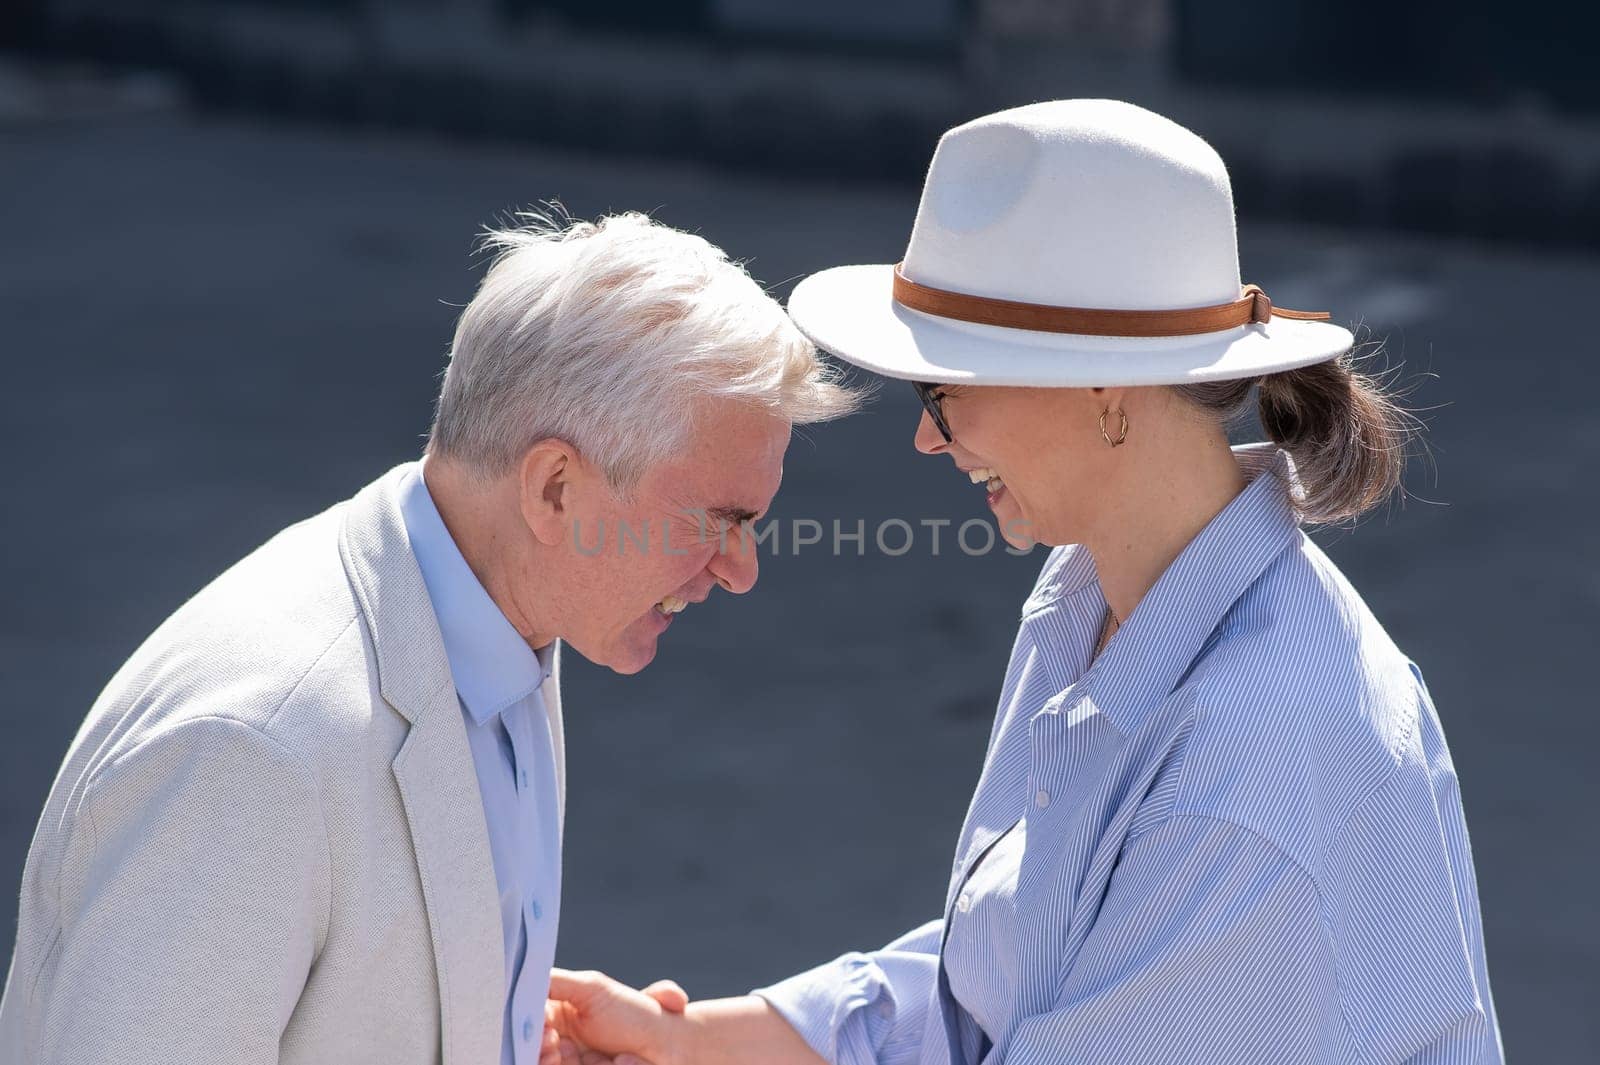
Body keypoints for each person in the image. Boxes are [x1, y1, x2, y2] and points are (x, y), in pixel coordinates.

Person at [539, 101, 1504, 1064]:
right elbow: (1007, 981)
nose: (928, 435)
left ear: (1101, 391)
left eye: (943, 390)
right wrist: (689, 1039)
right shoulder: (1091, 597)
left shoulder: (1256, 765)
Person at [0, 208, 858, 1065]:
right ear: (555, 488)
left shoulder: (505, 626)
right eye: (718, 519)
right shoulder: (253, 753)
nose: (741, 570)